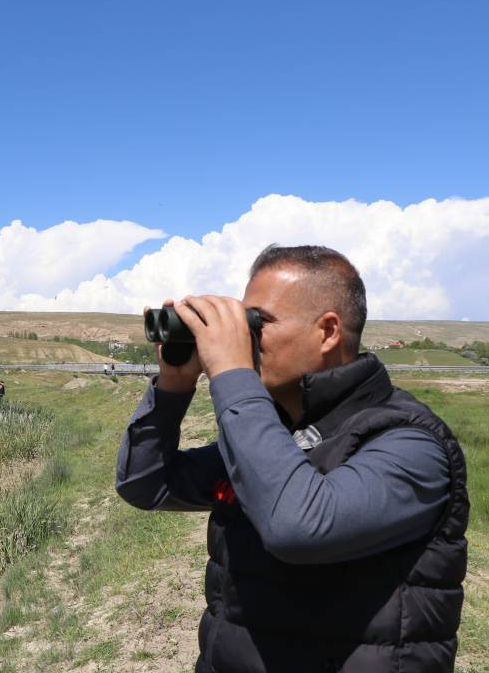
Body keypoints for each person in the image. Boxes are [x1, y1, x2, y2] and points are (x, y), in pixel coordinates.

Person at [115, 245, 468, 672]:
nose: (244, 338)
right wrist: (174, 384)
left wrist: (232, 374)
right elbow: (145, 483)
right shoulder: (275, 433)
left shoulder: (410, 443)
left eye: (256, 323)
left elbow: (297, 526)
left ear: (329, 331)